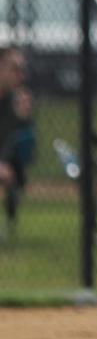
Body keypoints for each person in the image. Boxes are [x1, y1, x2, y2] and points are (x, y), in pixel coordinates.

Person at [0, 46, 32, 239]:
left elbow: (21, 145)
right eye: (15, 68)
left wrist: (22, 117)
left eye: (22, 69)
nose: (20, 75)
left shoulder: (15, 102)